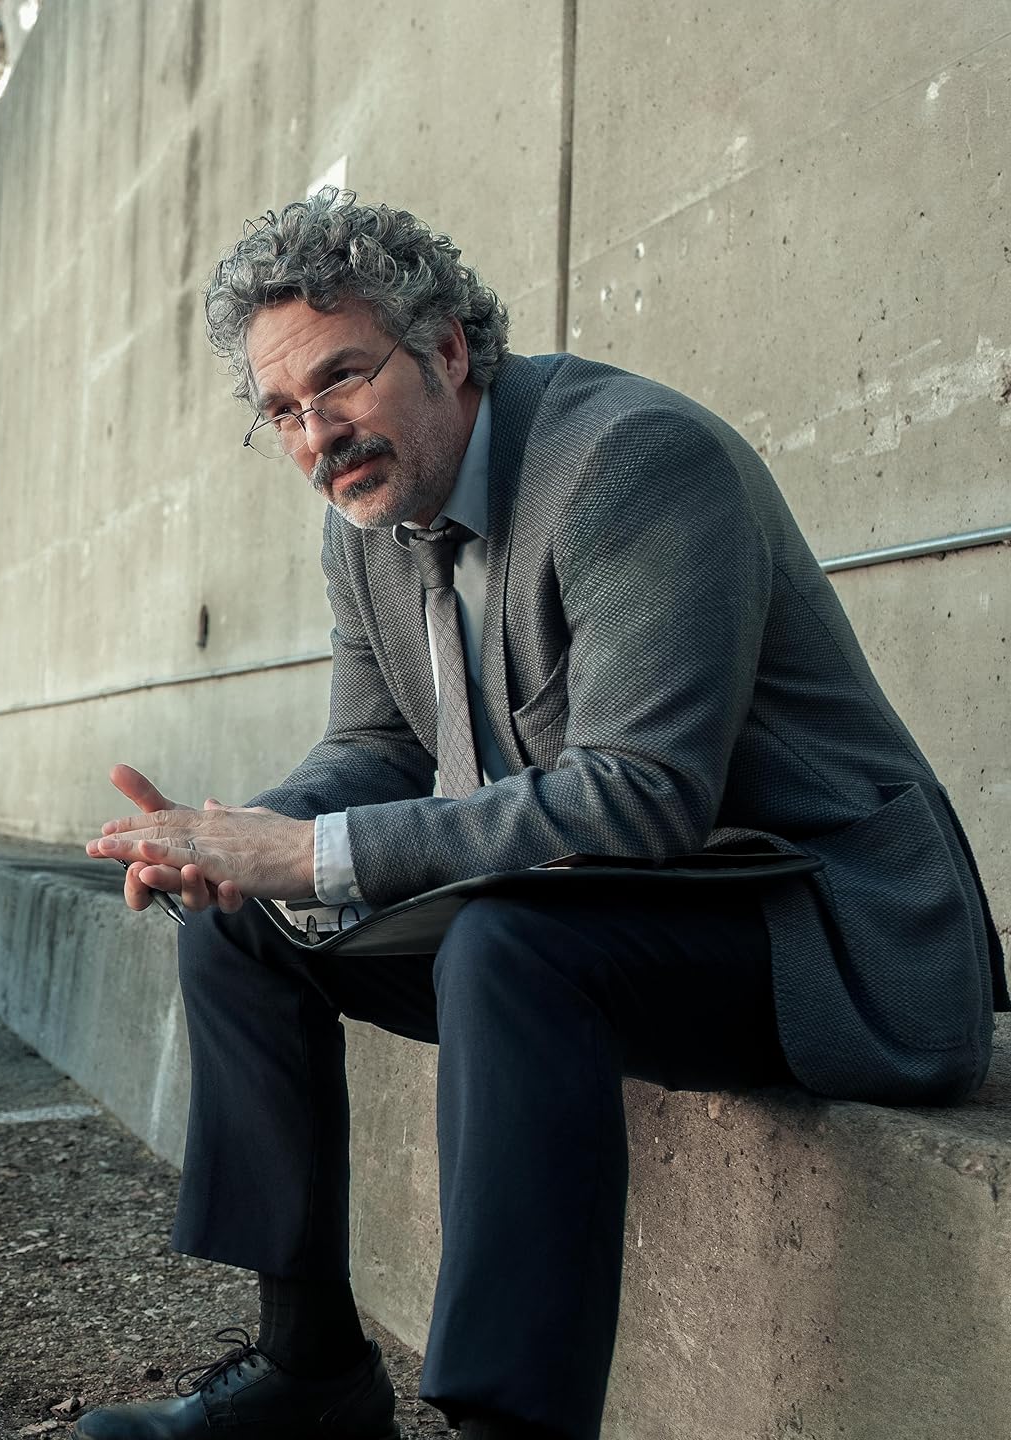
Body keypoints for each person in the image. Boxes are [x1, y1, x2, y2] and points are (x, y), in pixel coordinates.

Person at [75, 189, 1002, 1440]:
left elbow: (645, 795)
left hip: (821, 931)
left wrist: (314, 851)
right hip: (612, 914)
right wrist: (238, 842)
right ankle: (310, 1376)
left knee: (505, 945)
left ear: (449, 348)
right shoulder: (369, 521)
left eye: (341, 377)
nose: (317, 435)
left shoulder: (632, 461)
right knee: (245, 924)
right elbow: (376, 747)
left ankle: (511, 1427)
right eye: (282, 410)